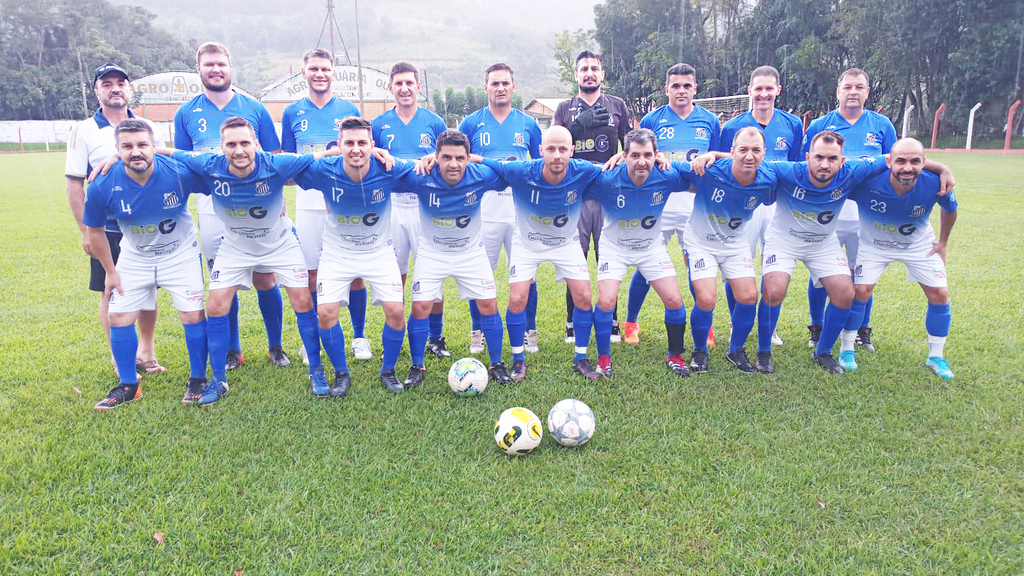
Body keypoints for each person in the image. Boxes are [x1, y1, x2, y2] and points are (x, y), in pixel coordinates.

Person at [753, 132, 953, 374]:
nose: (825, 164)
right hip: (784, 240)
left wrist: (942, 168)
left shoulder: (853, 171)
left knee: (845, 293)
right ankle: (764, 352)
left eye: (832, 158)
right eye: (818, 157)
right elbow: (748, 162)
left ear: (843, 160)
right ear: (807, 157)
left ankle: (823, 352)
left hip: (823, 243)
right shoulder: (787, 170)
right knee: (774, 290)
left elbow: (898, 158)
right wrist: (712, 156)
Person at [169, 117, 331, 405]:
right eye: (231, 144)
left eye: (245, 143)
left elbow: (323, 155)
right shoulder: (209, 164)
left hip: (280, 243)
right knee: (216, 304)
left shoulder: (276, 163)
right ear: (222, 147)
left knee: (303, 300)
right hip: (234, 245)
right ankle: (218, 379)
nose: (239, 150)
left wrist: (377, 152)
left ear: (256, 144)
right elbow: (167, 152)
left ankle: (316, 371)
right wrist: (116, 156)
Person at [173, 41, 287, 370]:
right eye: (209, 64)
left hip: (257, 207)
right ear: (199, 69)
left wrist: (277, 203)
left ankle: (275, 346)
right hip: (211, 208)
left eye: (221, 63)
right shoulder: (186, 113)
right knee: (224, 280)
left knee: (265, 278)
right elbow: (185, 164)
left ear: (230, 66)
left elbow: (275, 159)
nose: (216, 69)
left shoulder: (254, 107)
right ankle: (233, 349)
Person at [84, 119, 209, 409]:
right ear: (116, 150)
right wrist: (111, 272)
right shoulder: (102, 183)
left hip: (180, 253)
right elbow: (95, 231)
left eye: (142, 144)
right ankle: (129, 385)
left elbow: (217, 173)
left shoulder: (178, 172)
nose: (135, 151)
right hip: (135, 255)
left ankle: (198, 380)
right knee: (118, 317)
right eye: (126, 146)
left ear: (155, 146)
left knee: (192, 314)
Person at [470, 126, 605, 380]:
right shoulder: (522, 170)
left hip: (566, 243)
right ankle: (519, 360)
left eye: (563, 149)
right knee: (517, 299)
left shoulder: (583, 170)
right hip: (527, 243)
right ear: (540, 150)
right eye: (551, 149)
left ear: (572, 151)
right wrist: (463, 156)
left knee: (584, 297)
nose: (557, 155)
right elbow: (483, 160)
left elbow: (613, 169)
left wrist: (623, 157)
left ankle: (581, 357)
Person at [295, 117, 413, 395]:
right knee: (325, 313)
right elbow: (284, 171)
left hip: (379, 251)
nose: (356, 149)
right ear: (340, 145)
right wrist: (325, 153)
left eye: (363, 143)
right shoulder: (325, 169)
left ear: (373, 145)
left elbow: (423, 168)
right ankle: (341, 373)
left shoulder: (389, 168)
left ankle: (389, 370)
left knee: (396, 311)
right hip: (337, 253)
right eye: (349, 143)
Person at [65, 62, 162, 379]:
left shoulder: (146, 125)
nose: (115, 87)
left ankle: (146, 352)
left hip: (144, 226)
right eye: (107, 83)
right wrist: (84, 230)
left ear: (129, 88)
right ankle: (119, 357)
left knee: (147, 290)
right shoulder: (84, 130)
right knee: (110, 290)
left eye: (121, 82)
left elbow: (157, 169)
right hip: (107, 229)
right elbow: (75, 183)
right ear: (97, 92)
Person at [281, 48, 371, 365]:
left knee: (356, 273)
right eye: (314, 69)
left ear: (334, 72)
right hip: (307, 204)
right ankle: (314, 340)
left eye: (325, 69)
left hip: (345, 202)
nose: (320, 74)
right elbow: (288, 165)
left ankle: (359, 336)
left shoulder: (348, 110)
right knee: (311, 275)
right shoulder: (292, 112)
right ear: (303, 73)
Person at [839, 138, 958, 378]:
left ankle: (936, 357)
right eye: (900, 161)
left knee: (940, 294)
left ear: (924, 163)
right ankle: (846, 349)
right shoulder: (866, 182)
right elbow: (838, 172)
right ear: (889, 162)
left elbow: (950, 209)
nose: (907, 167)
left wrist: (943, 242)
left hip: (919, 245)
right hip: (874, 245)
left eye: (915, 161)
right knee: (860, 291)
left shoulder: (934, 182)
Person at [400, 130, 510, 387]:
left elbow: (508, 172)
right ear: (436, 157)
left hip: (470, 252)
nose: (453, 164)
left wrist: (481, 160)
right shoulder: (421, 175)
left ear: (468, 158)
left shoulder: (479, 175)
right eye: (446, 157)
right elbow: (387, 170)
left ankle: (496, 363)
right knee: (420, 307)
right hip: (432, 252)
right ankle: (417, 366)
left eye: (460, 158)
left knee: (488, 305)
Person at [623, 63, 721, 347]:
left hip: (695, 203)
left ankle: (707, 324)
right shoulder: (653, 120)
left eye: (687, 86)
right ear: (667, 89)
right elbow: (640, 161)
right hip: (660, 204)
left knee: (697, 266)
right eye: (675, 86)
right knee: (647, 264)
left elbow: (716, 160)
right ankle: (631, 322)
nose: (681, 91)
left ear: (695, 89)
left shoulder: (710, 121)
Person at [802, 68, 897, 351]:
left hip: (868, 213)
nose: (853, 91)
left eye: (859, 87)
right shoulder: (821, 124)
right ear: (838, 91)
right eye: (848, 87)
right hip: (828, 211)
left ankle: (861, 328)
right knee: (820, 273)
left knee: (862, 272)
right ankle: (817, 326)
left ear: (867, 92)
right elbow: (805, 166)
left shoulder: (882, 125)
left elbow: (895, 163)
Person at [670, 127, 777, 374]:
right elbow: (672, 166)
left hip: (735, 244)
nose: (749, 156)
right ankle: (699, 350)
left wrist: (716, 153)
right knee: (706, 298)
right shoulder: (708, 170)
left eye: (756, 150)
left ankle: (735, 349)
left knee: (749, 296)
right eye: (743, 150)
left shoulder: (769, 177)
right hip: (700, 242)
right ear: (732, 152)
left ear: (764, 154)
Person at [589, 128, 691, 378]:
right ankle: (603, 359)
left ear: (656, 155)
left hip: (651, 248)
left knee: (675, 302)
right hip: (614, 248)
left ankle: (675, 356)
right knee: (605, 301)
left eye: (648, 155)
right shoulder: (607, 177)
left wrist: (672, 162)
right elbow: (575, 170)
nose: (642, 161)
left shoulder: (667, 176)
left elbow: (699, 173)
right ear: (624, 156)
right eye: (635, 155)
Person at [459, 64, 543, 354]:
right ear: (486, 88)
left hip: (519, 211)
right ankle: (477, 330)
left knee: (525, 275)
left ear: (514, 86)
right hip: (482, 210)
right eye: (494, 83)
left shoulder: (528, 124)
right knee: (477, 273)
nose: (500, 88)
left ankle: (529, 330)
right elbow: (460, 162)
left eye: (505, 82)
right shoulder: (470, 123)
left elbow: (538, 165)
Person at [717, 65, 803, 347]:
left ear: (778, 90)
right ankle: (735, 321)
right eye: (758, 88)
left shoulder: (792, 124)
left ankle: (770, 326)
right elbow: (725, 165)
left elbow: (795, 166)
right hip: (743, 205)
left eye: (769, 88)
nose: (763, 94)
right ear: (749, 91)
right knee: (736, 264)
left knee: (774, 267)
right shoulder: (731, 127)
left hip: (779, 206)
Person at [371, 61, 451, 358]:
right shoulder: (379, 124)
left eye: (409, 83)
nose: (404, 89)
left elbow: (449, 157)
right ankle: (395, 335)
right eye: (398, 84)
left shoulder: (434, 122)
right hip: (390, 207)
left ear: (419, 87)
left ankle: (435, 337)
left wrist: (433, 156)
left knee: (432, 272)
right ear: (390, 88)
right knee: (395, 275)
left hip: (426, 208)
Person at [552, 50, 632, 345]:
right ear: (576, 74)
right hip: (574, 196)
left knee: (608, 258)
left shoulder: (617, 105)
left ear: (602, 73)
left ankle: (610, 320)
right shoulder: (563, 108)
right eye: (584, 68)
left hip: (609, 194)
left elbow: (631, 145)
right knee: (575, 260)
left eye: (594, 68)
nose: (589, 73)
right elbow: (552, 147)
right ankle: (572, 321)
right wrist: (574, 128)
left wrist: (621, 157)